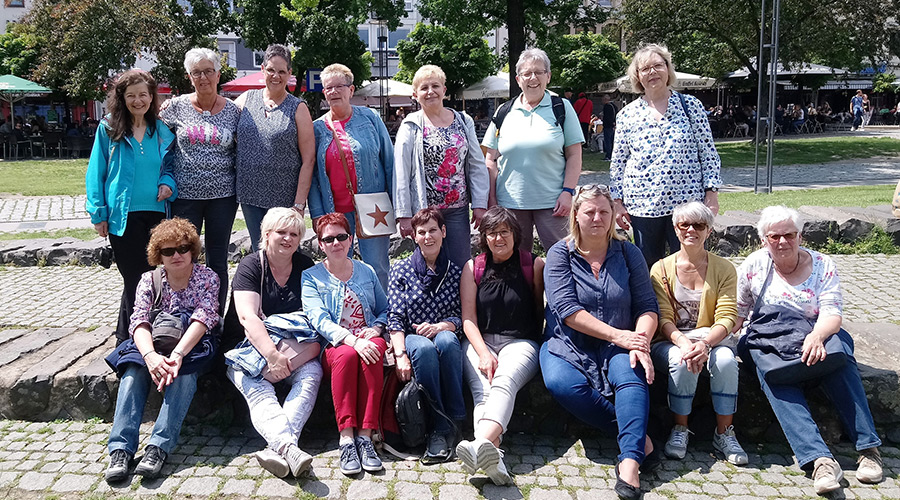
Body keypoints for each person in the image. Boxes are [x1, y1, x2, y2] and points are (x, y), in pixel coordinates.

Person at [734, 206, 883, 495]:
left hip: (815, 334)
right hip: (769, 340)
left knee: (841, 361)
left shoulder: (822, 264)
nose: (782, 241)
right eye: (774, 236)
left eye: (789, 234)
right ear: (763, 239)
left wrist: (816, 336)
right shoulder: (754, 265)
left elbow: (832, 313)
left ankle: (868, 449)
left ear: (800, 235)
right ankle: (820, 461)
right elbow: (740, 314)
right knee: (773, 375)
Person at [541, 185, 658, 500]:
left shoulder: (628, 252)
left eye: (603, 211)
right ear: (576, 215)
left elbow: (648, 308)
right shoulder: (558, 253)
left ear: (613, 216)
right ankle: (639, 438)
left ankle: (631, 463)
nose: (597, 217)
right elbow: (567, 311)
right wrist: (620, 335)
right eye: (589, 211)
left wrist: (640, 342)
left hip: (620, 341)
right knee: (560, 383)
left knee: (631, 378)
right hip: (568, 341)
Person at [103, 218, 220, 483]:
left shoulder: (208, 278)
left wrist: (177, 355)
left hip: (192, 341)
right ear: (159, 255)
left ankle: (158, 447)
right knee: (133, 372)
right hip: (153, 340)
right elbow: (139, 321)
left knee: (184, 373)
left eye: (182, 248)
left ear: (192, 249)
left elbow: (204, 318)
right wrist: (151, 357)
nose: (176, 255)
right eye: (168, 251)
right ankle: (120, 449)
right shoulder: (149, 279)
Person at [648, 201, 747, 465]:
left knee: (725, 361)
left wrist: (703, 344)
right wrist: (684, 343)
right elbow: (663, 318)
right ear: (676, 229)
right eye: (685, 224)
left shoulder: (724, 269)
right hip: (672, 340)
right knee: (683, 361)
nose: (691, 230)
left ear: (709, 231)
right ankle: (680, 428)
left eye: (699, 225)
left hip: (713, 339)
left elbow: (727, 317)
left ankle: (725, 432)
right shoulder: (660, 269)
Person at [225, 207, 320, 479]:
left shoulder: (304, 266)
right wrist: (271, 355)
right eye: (281, 232)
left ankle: (279, 448)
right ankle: (289, 447)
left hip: (294, 350)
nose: (288, 239)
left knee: (312, 373)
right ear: (267, 234)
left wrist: (286, 357)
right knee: (257, 386)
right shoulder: (251, 266)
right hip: (247, 351)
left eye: (294, 233)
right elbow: (247, 316)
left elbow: (312, 320)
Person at [86, 69, 178, 345]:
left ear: (152, 97)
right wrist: (98, 213)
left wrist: (167, 182)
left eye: (143, 95)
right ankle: (128, 339)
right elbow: (96, 172)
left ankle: (134, 334)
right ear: (122, 98)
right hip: (122, 217)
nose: (138, 100)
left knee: (154, 278)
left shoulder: (163, 132)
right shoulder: (108, 129)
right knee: (134, 279)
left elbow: (171, 168)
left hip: (158, 215)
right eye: (131, 95)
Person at [610, 43, 722, 269]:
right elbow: (618, 162)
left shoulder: (691, 106)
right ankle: (651, 305)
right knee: (647, 267)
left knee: (691, 263)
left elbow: (708, 152)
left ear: (668, 69)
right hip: (643, 206)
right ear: (637, 76)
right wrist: (617, 202)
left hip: (686, 203)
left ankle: (689, 304)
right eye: (645, 69)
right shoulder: (627, 115)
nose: (652, 72)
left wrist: (711, 192)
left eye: (657, 66)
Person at [455, 206, 545, 486]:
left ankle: (478, 442)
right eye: (491, 233)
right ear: (484, 237)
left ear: (515, 234)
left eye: (504, 231)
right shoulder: (474, 268)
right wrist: (483, 352)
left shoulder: (534, 265)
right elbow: (468, 319)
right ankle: (493, 458)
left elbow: (541, 312)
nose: (498, 238)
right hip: (480, 341)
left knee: (503, 381)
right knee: (482, 390)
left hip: (521, 342)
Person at [301, 213, 389, 476]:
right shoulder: (311, 277)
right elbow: (318, 319)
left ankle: (365, 435)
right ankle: (347, 439)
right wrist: (351, 340)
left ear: (350, 239)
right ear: (320, 244)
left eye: (341, 236)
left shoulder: (367, 271)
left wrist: (374, 329)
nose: (336, 243)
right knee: (349, 355)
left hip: (368, 337)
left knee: (371, 351)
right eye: (329, 239)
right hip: (335, 344)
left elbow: (385, 309)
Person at [160, 47, 240, 313]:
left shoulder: (234, 111)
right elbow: (156, 142)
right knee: (182, 257)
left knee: (218, 260)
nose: (203, 77)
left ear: (218, 75)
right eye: (197, 73)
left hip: (223, 198)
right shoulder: (175, 108)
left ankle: (214, 316)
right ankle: (181, 314)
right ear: (189, 76)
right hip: (184, 198)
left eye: (208, 71)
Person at [481, 48, 584, 254]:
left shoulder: (561, 107)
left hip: (554, 203)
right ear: (518, 79)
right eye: (527, 73)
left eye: (538, 72)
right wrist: (492, 199)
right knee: (516, 262)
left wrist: (568, 192)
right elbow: (490, 159)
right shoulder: (504, 112)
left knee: (565, 257)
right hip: (510, 204)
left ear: (548, 76)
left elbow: (574, 154)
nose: (533, 78)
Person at [387, 207, 465, 464]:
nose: (428, 237)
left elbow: (461, 316)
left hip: (445, 332)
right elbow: (396, 317)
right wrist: (400, 355)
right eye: (422, 232)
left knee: (446, 341)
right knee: (423, 348)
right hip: (413, 337)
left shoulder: (455, 272)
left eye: (433, 230)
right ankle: (439, 426)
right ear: (414, 237)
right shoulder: (400, 270)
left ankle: (454, 419)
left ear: (443, 232)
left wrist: (442, 326)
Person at [393, 64, 490, 268]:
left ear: (444, 90)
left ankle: (461, 301)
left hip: (458, 209)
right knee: (429, 264)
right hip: (425, 211)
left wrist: (480, 205)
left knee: (461, 265)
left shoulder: (463, 120)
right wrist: (404, 215)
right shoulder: (410, 126)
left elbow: (476, 163)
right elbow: (401, 172)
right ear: (415, 94)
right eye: (424, 87)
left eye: (435, 86)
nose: (430, 92)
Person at [309, 63, 394, 291]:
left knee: (377, 266)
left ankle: (381, 316)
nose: (334, 92)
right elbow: (314, 176)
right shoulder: (317, 128)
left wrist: (397, 204)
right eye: (328, 88)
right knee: (339, 266)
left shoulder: (371, 119)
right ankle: (350, 314)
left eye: (339, 86)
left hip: (374, 209)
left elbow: (389, 162)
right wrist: (318, 214)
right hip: (334, 211)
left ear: (351, 89)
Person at [234, 44, 316, 252]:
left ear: (289, 74)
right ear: (262, 70)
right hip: (250, 196)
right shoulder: (245, 99)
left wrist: (299, 205)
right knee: (259, 253)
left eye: (281, 71)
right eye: (271, 70)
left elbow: (309, 160)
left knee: (284, 253)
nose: (276, 76)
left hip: (284, 200)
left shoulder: (298, 108)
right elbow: (220, 122)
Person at [601, 95, 618, 160]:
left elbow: (607, 117)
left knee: (607, 141)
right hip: (613, 125)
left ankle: (608, 155)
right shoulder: (613, 106)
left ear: (605, 100)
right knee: (612, 140)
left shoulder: (607, 106)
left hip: (608, 125)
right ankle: (612, 154)